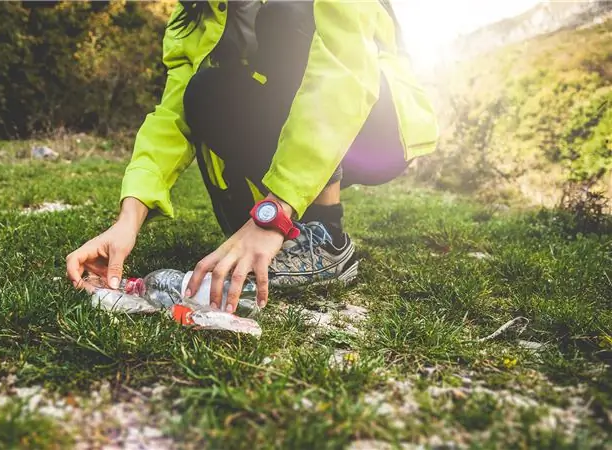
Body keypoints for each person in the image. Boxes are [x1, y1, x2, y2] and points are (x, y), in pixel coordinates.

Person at [66, 0, 439, 314]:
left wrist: (273, 214)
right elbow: (173, 111)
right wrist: (128, 220)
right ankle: (293, 227)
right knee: (203, 90)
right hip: (297, 126)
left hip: (377, 123)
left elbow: (345, 69)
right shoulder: (198, 8)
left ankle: (326, 232)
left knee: (287, 15)